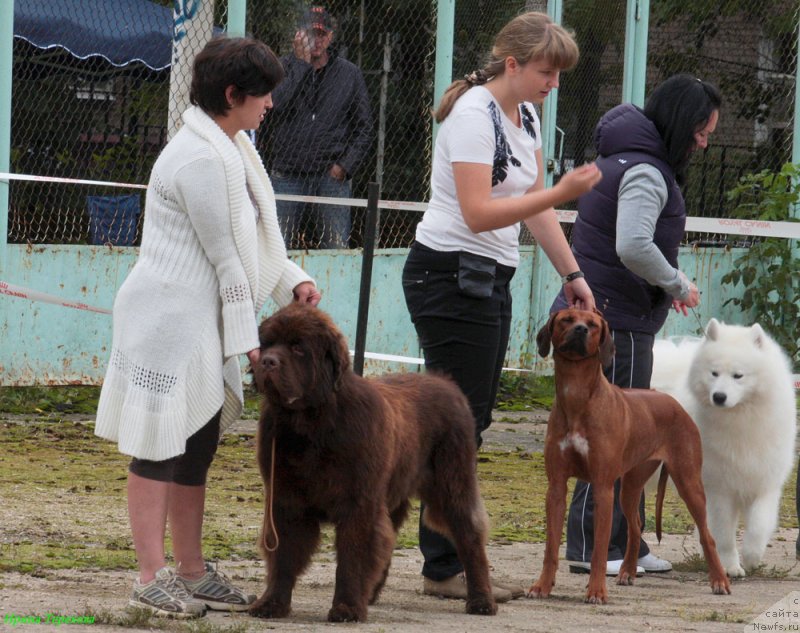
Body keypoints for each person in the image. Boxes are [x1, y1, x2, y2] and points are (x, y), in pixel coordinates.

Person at [94, 36, 322, 619]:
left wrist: (290, 278)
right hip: (167, 323)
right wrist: (252, 344)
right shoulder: (199, 157)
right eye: (263, 95)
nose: (270, 105)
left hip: (203, 319)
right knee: (157, 448)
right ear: (232, 95)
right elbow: (225, 258)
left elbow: (250, 235)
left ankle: (192, 571)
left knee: (196, 447)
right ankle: (149, 577)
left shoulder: (232, 144)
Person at [401, 11, 601, 602]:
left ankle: (440, 555)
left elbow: (533, 208)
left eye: (558, 74)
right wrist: (559, 192)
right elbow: (477, 212)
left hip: (489, 278)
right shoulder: (472, 116)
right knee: (458, 422)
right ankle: (443, 565)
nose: (553, 83)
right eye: (545, 71)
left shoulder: (527, 115)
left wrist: (573, 273)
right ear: (511, 64)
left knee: (468, 420)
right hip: (449, 275)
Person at [550, 74, 722, 577]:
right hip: (615, 321)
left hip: (614, 310)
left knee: (615, 442)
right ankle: (591, 548)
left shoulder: (626, 158)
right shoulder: (648, 172)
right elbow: (632, 244)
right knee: (603, 440)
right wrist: (676, 283)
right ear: (680, 123)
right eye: (701, 132)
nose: (704, 142)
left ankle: (627, 546)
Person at [266, 6, 372, 249]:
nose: (317, 41)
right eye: (310, 34)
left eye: (321, 35)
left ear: (330, 37)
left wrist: (345, 166)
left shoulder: (349, 74)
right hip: (287, 173)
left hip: (330, 175)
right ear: (298, 36)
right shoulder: (281, 68)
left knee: (335, 247)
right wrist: (301, 65)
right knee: (278, 248)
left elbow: (364, 127)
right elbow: (275, 106)